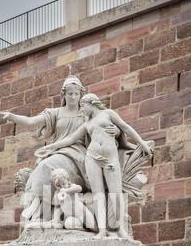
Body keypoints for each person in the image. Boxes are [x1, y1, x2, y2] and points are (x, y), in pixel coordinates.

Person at [0, 76, 118, 225]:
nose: (73, 97)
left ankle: (41, 216)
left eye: (76, 94)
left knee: (46, 166)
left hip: (77, 156)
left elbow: (103, 124)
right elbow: (31, 121)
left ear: (81, 95)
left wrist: (116, 131)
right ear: (63, 95)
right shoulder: (55, 113)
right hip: (56, 152)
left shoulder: (85, 112)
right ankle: (41, 218)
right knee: (44, 167)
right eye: (70, 93)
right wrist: (11, 116)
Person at [36, 93, 154, 238]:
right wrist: (50, 147)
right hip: (92, 157)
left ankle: (120, 229)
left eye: (83, 106)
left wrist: (142, 144)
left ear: (90, 103)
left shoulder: (108, 114)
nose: (81, 110)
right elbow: (70, 139)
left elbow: (126, 128)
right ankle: (102, 230)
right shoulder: (87, 124)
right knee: (98, 196)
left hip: (110, 158)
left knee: (116, 194)